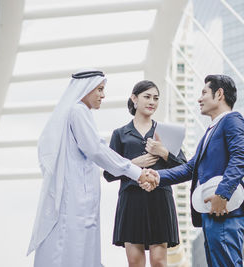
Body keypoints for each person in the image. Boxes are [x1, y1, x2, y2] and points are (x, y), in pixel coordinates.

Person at [27, 70, 158, 267]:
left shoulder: (75, 112)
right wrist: (137, 172)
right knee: (75, 250)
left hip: (76, 196)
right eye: (100, 89)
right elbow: (97, 150)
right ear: (86, 89)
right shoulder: (78, 111)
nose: (103, 95)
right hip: (75, 199)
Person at [148, 75, 244, 266]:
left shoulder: (232, 120)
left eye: (204, 92)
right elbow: (190, 168)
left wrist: (222, 194)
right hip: (212, 211)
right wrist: (156, 175)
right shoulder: (211, 131)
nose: (199, 99)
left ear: (219, 94)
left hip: (224, 209)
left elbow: (241, 157)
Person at [103, 80, 186, 267]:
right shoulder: (120, 134)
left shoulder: (165, 132)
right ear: (134, 98)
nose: (152, 102)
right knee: (135, 262)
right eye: (147, 97)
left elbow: (184, 167)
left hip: (160, 199)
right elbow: (108, 173)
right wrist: (132, 164)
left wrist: (163, 152)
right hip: (131, 199)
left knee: (159, 262)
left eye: (156, 98)